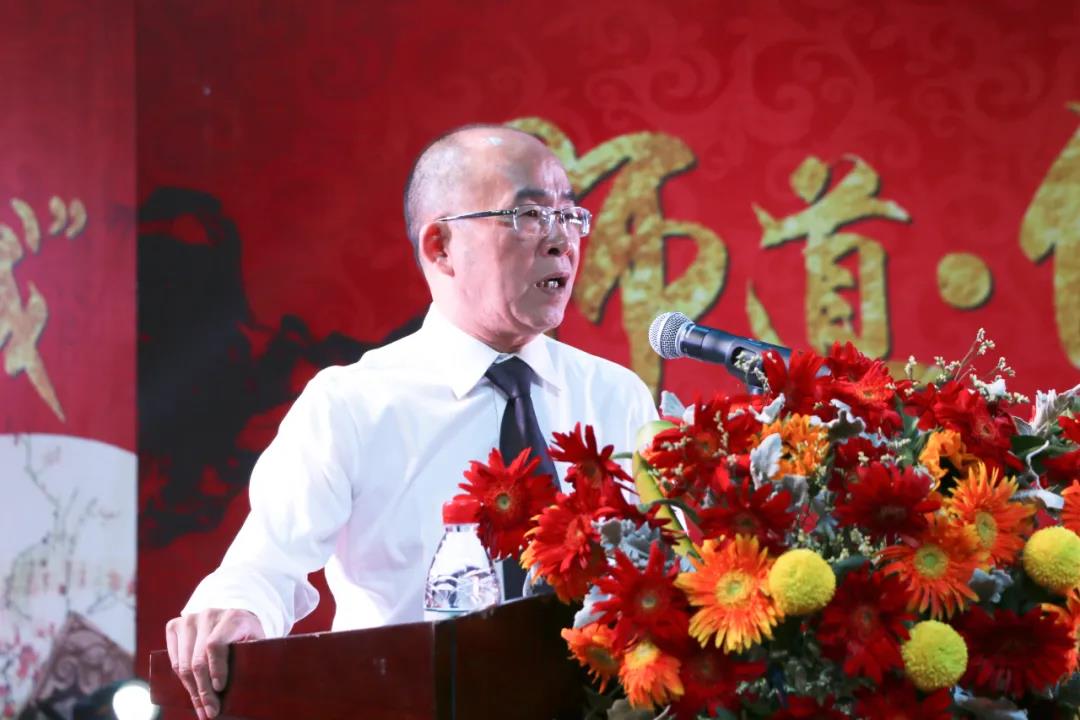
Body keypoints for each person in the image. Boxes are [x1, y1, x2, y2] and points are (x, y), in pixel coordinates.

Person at [165, 124, 658, 720]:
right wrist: (234, 610)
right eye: (529, 215)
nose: (561, 240)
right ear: (440, 246)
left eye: (569, 216)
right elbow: (265, 565)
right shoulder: (353, 404)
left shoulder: (615, 396)